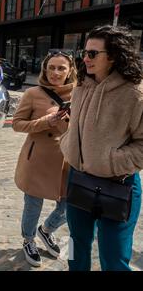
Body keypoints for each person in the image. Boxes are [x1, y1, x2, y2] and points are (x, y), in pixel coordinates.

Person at [60, 25, 143, 271]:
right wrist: (69, 145)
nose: (85, 58)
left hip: (118, 184)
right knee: (76, 245)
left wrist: (111, 161)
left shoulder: (134, 94)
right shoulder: (81, 86)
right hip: (79, 179)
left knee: (114, 257)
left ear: (114, 56)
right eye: (84, 52)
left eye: (93, 54)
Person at [13, 50, 77, 267]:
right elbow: (17, 124)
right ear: (45, 69)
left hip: (68, 160)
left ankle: (47, 230)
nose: (56, 73)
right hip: (38, 158)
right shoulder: (33, 93)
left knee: (67, 206)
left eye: (61, 68)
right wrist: (46, 121)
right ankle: (28, 239)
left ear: (70, 71)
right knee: (33, 205)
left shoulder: (81, 93)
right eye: (51, 67)